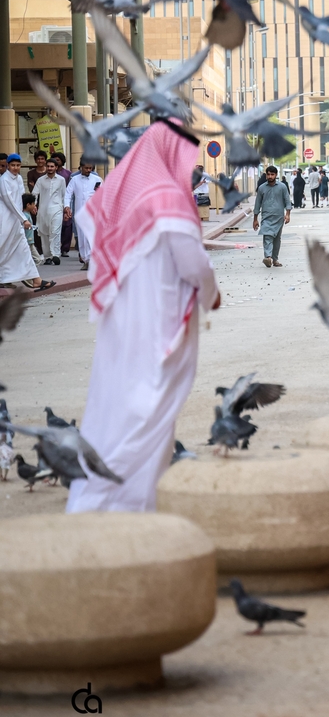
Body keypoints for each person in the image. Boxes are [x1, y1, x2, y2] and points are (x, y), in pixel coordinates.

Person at [66, 120, 220, 513]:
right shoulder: (168, 196)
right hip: (158, 322)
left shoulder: (124, 192)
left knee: (115, 406)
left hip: (121, 322)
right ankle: (112, 505)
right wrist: (212, 293)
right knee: (147, 413)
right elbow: (192, 263)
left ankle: (99, 498)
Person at [0, 155, 52, 290]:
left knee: (23, 249)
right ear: (8, 165)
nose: (15, 168)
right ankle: (5, 278)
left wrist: (30, 208)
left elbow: (21, 198)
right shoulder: (4, 180)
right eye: (13, 165)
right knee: (4, 249)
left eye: (18, 165)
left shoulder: (17, 178)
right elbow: (9, 202)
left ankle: (36, 280)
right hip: (6, 220)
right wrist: (23, 218)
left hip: (17, 220)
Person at [64, 161, 102, 270]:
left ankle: (92, 259)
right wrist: (67, 207)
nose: (88, 170)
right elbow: (68, 194)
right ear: (80, 167)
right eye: (86, 168)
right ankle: (86, 259)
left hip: (93, 212)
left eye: (90, 168)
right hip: (80, 212)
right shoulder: (74, 180)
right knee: (81, 237)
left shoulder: (97, 180)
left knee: (91, 236)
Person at [253, 165, 292, 267]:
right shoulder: (261, 188)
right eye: (268, 174)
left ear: (276, 175)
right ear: (266, 175)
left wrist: (287, 215)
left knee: (277, 238)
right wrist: (255, 219)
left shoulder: (282, 187)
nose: (270, 176)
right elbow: (257, 204)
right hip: (266, 216)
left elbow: (287, 201)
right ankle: (268, 257)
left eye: (272, 174)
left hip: (279, 217)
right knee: (267, 236)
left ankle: (275, 259)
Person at [34, 156, 66, 265]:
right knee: (44, 233)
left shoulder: (61, 180)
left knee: (55, 232)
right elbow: (35, 194)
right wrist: (33, 205)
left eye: (52, 166)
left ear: (56, 167)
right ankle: (48, 256)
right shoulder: (40, 180)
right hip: (43, 210)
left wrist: (65, 208)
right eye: (48, 166)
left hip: (57, 209)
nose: (50, 168)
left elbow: (64, 196)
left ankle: (56, 255)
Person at [51, 152, 74, 255]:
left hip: (66, 201)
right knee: (55, 225)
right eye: (54, 159)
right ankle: (54, 248)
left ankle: (65, 248)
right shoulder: (50, 174)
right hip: (54, 202)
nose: (56, 161)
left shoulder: (68, 174)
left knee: (67, 225)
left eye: (58, 159)